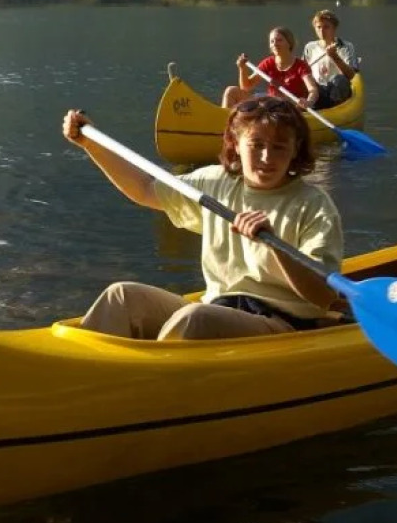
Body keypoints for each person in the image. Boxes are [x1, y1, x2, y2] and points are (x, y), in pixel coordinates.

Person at [61, 96, 343, 341]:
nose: (267, 157)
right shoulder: (215, 183)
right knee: (121, 296)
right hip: (219, 307)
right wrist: (90, 144)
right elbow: (144, 189)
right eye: (256, 144)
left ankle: (149, 379)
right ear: (236, 144)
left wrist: (276, 247)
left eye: (279, 146)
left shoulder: (314, 205)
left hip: (281, 322)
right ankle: (82, 372)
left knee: (194, 318)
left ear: (295, 149)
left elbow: (324, 297)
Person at [220, 27, 320, 109]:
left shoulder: (301, 66)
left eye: (279, 40)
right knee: (231, 91)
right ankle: (225, 122)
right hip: (271, 104)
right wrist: (242, 68)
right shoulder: (268, 63)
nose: (275, 44)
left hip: (291, 107)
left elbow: (313, 90)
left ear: (289, 43)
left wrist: (309, 101)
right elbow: (246, 87)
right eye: (272, 41)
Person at [300, 9, 358, 109]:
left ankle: (334, 108)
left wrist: (335, 56)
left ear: (334, 28)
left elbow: (351, 75)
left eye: (326, 27)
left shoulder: (346, 47)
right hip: (317, 92)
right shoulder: (310, 47)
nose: (322, 31)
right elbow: (303, 72)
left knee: (339, 79)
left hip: (337, 91)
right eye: (319, 27)